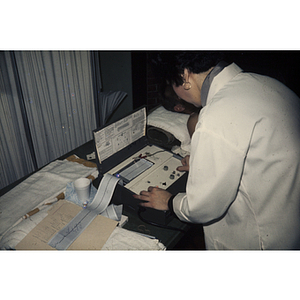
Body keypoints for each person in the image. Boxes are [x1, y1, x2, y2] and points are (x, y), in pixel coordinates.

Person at [134, 51, 300, 250]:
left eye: (173, 85)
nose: (178, 95)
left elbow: (201, 208)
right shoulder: (268, 84)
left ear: (184, 76)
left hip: (261, 241)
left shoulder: (214, 117)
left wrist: (169, 202)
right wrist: (204, 163)